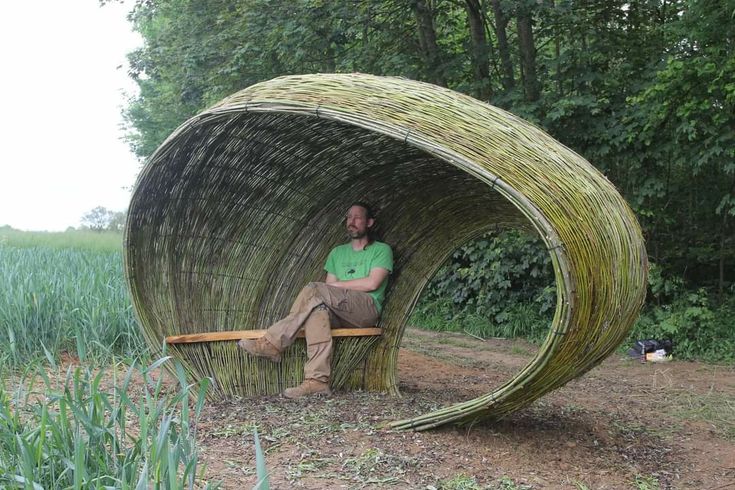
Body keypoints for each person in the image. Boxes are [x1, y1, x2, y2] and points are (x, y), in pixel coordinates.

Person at [238, 202, 393, 398]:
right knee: (317, 311)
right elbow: (326, 292)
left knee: (314, 289)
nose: (351, 221)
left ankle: (272, 343)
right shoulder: (337, 253)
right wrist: (330, 290)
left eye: (357, 217)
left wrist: (333, 288)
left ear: (369, 222)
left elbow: (372, 283)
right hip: (340, 309)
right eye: (348, 217)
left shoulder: (381, 250)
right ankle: (317, 382)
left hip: (366, 308)